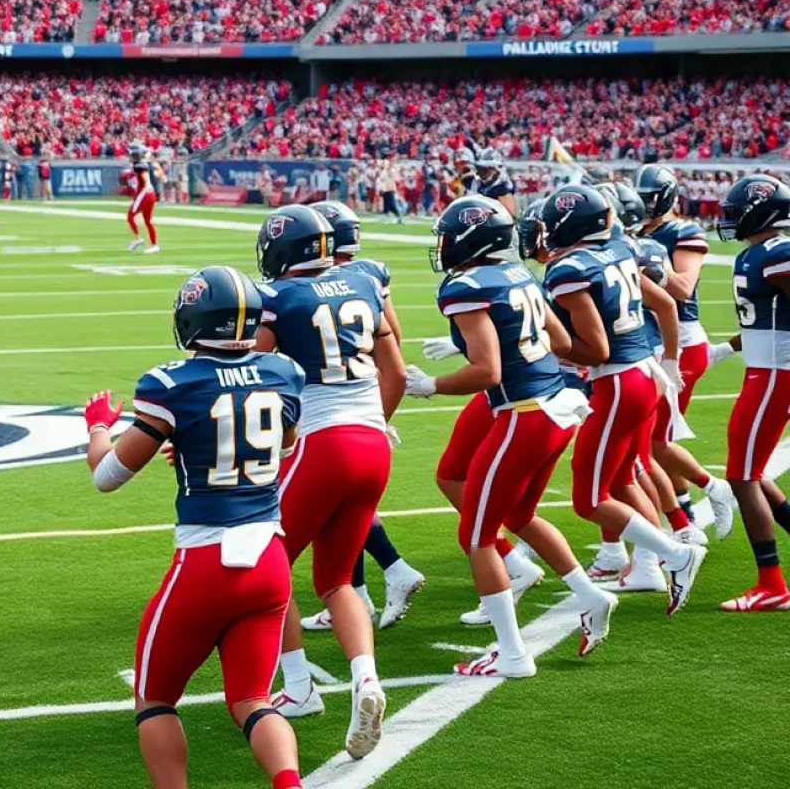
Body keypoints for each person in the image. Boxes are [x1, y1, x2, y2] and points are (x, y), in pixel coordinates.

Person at [85, 267, 308, 788]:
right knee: (252, 699)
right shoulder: (284, 372)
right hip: (269, 559)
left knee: (155, 697)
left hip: (207, 562)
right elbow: (284, 445)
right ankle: (290, 783)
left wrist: (99, 425)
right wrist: (199, 445)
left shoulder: (172, 384)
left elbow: (107, 475)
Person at [406, 196, 616, 675]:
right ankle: (590, 594)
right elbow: (561, 344)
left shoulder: (464, 286)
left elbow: (486, 370)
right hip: (558, 407)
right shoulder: (520, 274)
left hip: (522, 414)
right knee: (520, 514)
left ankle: (513, 653)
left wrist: (432, 385)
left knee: (476, 534)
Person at [255, 205, 406, 758]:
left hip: (322, 442)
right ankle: (366, 680)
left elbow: (249, 378)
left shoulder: (278, 298)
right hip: (371, 441)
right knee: (338, 579)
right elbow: (395, 369)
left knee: (266, 567)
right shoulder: (365, 281)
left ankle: (298, 689)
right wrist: (380, 422)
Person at [542, 185, 707, 615]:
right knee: (620, 480)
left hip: (615, 382)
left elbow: (595, 351)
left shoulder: (570, 269)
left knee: (589, 498)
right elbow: (667, 306)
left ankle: (676, 553)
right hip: (643, 375)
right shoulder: (617, 252)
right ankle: (652, 561)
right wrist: (669, 364)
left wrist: (543, 344)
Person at [298, 201, 425, 632]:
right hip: (367, 388)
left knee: (331, 503)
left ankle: (391, 570)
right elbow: (393, 339)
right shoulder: (369, 273)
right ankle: (360, 594)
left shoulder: (308, 284)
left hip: (336, 401)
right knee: (344, 507)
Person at [635, 164, 737, 535]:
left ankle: (714, 490)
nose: (644, 206)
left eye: (650, 199)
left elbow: (682, 287)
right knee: (658, 440)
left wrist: (651, 268)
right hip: (651, 339)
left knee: (653, 442)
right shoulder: (639, 232)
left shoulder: (685, 231)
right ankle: (686, 519)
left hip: (679, 341)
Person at [716, 176, 790, 611]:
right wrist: (725, 347)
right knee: (753, 469)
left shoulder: (778, 252)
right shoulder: (756, 254)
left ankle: (773, 585)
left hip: (775, 374)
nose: (731, 217)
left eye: (737, 209)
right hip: (765, 371)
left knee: (743, 475)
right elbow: (762, 321)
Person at [127, 141, 159, 254]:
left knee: (130, 215)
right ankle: (154, 244)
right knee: (148, 221)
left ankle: (138, 238)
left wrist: (138, 199)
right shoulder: (141, 164)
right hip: (150, 195)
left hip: (146, 195)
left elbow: (146, 183)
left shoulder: (139, 166)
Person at [474, 147, 516, 216]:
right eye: (480, 169)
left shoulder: (503, 191)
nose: (480, 173)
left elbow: (510, 217)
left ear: (496, 170)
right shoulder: (479, 186)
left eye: (485, 169)